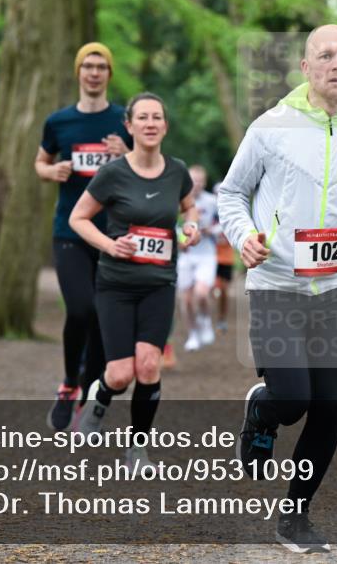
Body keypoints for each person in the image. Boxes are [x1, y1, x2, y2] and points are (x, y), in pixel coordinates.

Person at [217, 24, 337, 554]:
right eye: (326, 55)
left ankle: (294, 519)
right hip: (276, 283)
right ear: (305, 67)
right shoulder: (270, 128)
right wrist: (245, 236)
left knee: (327, 409)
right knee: (293, 398)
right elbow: (231, 194)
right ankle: (263, 408)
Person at [69, 92, 199, 468]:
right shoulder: (113, 173)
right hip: (117, 284)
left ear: (165, 126)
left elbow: (189, 206)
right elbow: (78, 218)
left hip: (159, 283)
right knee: (120, 374)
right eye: (142, 117)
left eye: (156, 117)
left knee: (148, 366)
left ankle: (137, 449)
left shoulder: (177, 171)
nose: (150, 124)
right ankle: (99, 398)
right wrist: (110, 245)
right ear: (129, 125)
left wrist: (190, 227)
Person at [36, 42, 131, 432]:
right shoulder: (58, 121)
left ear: (109, 74)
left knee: (102, 318)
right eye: (87, 66)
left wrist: (126, 152)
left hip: (113, 235)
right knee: (80, 310)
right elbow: (40, 162)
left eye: (101, 67)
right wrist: (51, 171)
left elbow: (148, 164)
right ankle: (69, 383)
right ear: (78, 72)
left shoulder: (124, 120)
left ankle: (89, 393)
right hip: (70, 232)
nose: (94, 73)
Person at [177, 165, 219, 351]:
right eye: (193, 181)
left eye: (200, 181)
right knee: (186, 299)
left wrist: (211, 230)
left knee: (201, 293)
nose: (197, 184)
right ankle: (192, 334)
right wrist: (179, 240)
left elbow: (225, 224)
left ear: (205, 182)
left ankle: (205, 320)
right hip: (186, 256)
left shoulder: (212, 201)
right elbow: (173, 224)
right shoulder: (177, 200)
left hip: (206, 254)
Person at [213, 183, 235, 335]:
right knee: (212, 288)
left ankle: (221, 319)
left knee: (224, 290)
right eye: (217, 194)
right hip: (211, 257)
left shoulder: (231, 212)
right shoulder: (209, 211)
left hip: (227, 257)